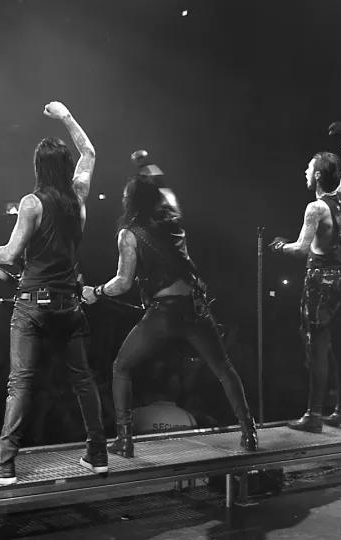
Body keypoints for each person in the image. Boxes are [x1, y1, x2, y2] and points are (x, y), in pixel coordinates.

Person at [0, 101, 107, 485]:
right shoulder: (78, 197)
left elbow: (10, 254)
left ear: (38, 169)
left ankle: (4, 464)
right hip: (70, 305)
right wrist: (67, 116)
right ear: (66, 168)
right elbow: (90, 152)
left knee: (20, 383)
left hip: (34, 306)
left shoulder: (32, 204)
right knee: (83, 378)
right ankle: (98, 453)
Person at [83, 152, 257, 457]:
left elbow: (122, 283)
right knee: (224, 369)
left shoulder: (129, 234)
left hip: (163, 314)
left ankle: (124, 440)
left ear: (131, 201)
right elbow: (164, 185)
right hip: (194, 308)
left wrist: (96, 291)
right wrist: (143, 164)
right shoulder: (174, 217)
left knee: (121, 367)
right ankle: (249, 432)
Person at [270, 123, 341, 432]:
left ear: (316, 176)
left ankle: (314, 415)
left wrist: (279, 247)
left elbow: (301, 249)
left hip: (321, 283)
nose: (304, 171)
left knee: (317, 347)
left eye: (307, 168)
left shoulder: (315, 208)